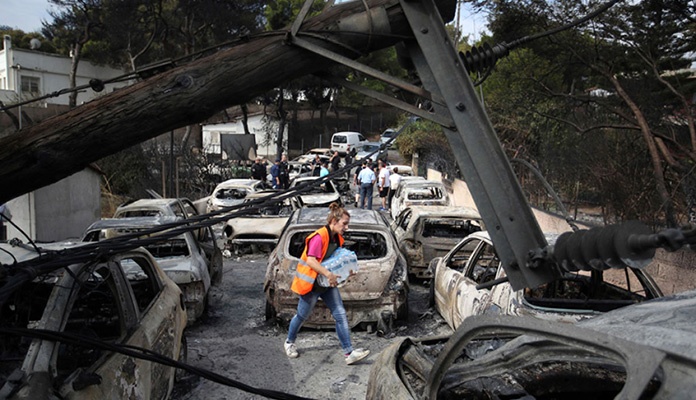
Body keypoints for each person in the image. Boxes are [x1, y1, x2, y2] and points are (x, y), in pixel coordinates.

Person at [284, 202, 370, 365]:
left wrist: (346, 271)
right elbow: (310, 260)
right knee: (302, 316)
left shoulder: (336, 238)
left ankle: (348, 352)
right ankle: (289, 342)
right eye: (344, 223)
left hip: (325, 284)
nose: (346, 227)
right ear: (333, 221)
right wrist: (329, 274)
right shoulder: (319, 237)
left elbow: (334, 260)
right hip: (311, 286)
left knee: (340, 314)